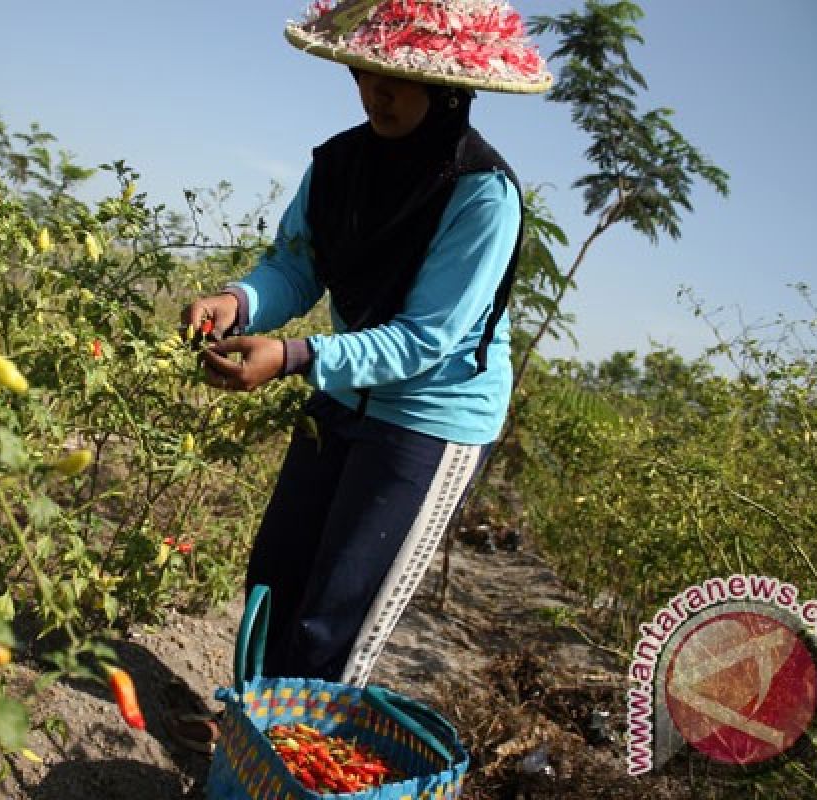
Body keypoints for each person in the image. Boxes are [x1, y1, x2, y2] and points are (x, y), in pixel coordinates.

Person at [172, 0, 551, 749]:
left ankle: (285, 760)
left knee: (340, 610)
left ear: (449, 89)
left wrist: (296, 357)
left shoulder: (482, 194)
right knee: (277, 575)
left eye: (398, 81)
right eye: (368, 73)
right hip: (341, 393)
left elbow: (427, 339)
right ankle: (246, 732)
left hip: (429, 422)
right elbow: (295, 266)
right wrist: (240, 302)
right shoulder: (339, 164)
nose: (377, 94)